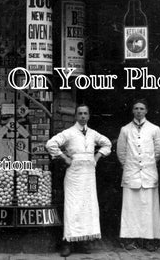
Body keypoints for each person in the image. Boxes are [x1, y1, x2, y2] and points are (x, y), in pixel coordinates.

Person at [45, 104, 112, 257]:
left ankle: (83, 242)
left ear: (88, 116)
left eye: (85, 113)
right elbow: (50, 144)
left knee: (87, 208)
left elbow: (107, 143)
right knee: (73, 208)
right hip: (74, 175)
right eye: (80, 113)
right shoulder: (69, 133)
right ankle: (68, 242)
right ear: (75, 116)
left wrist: (97, 156)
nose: (82, 116)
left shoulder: (93, 134)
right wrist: (64, 157)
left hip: (89, 175)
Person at [117, 99, 160, 251]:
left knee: (148, 208)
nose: (138, 111)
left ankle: (149, 240)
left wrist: (147, 164)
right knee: (131, 209)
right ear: (132, 111)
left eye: (141, 108)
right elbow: (121, 152)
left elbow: (159, 151)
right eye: (136, 108)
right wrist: (130, 165)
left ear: (146, 111)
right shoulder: (125, 130)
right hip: (131, 173)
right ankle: (130, 240)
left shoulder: (154, 129)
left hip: (149, 173)